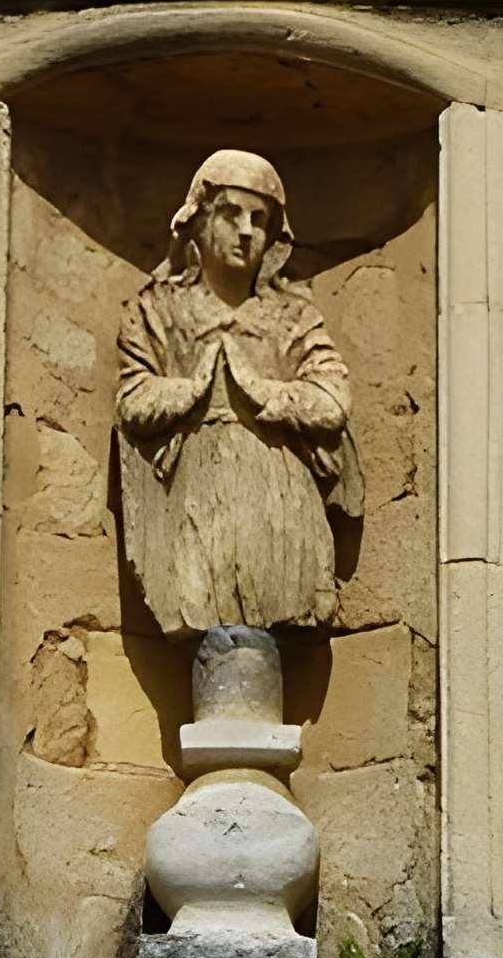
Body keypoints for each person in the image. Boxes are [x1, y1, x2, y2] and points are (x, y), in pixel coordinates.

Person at [114, 149, 363, 639]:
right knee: (201, 609)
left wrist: (262, 391)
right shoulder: (159, 310)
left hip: (281, 494)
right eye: (231, 214)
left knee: (279, 602)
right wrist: (194, 389)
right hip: (193, 493)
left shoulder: (293, 317)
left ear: (274, 237)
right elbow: (133, 397)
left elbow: (333, 397)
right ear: (199, 221)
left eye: (259, 219)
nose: (246, 231)